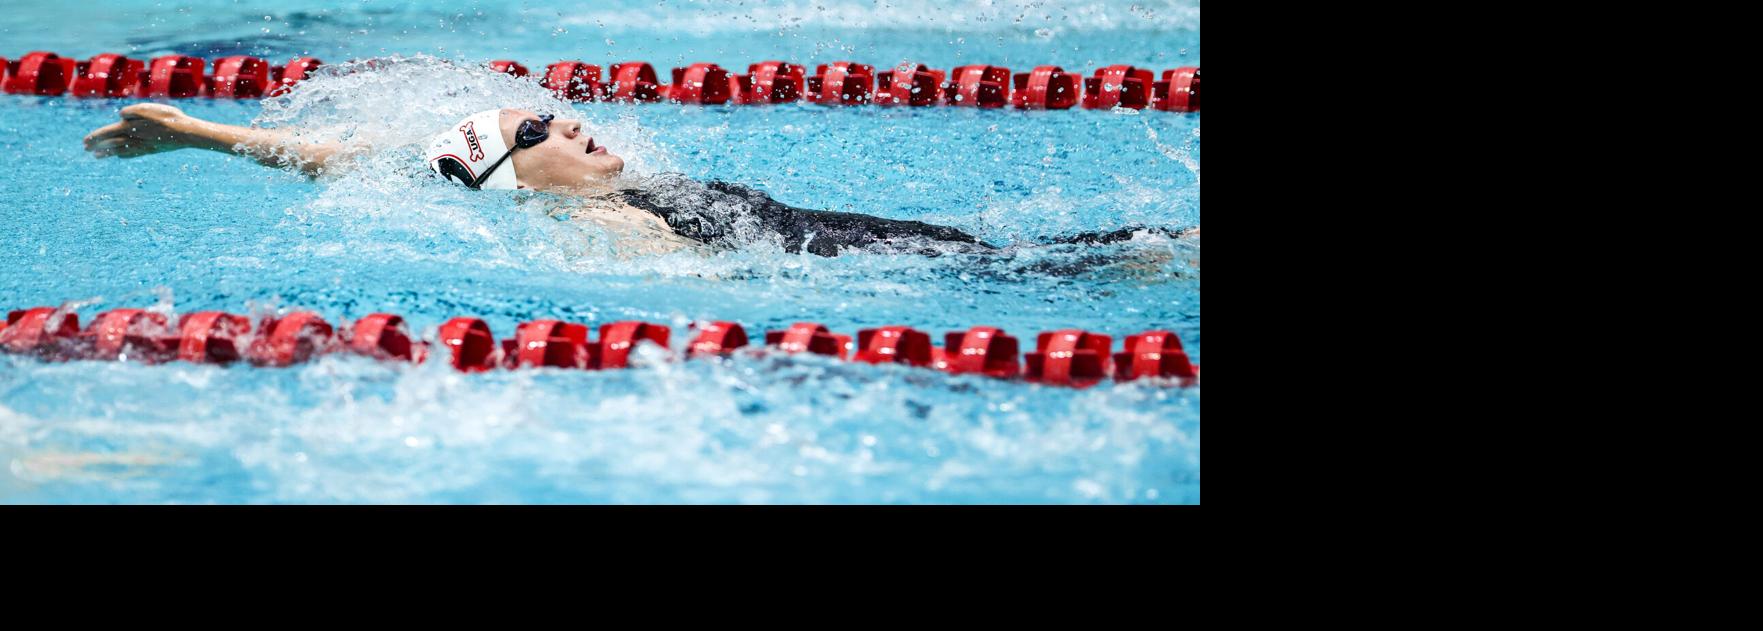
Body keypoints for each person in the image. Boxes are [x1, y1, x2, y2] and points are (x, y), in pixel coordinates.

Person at [84, 103, 1196, 259]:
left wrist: (192, 130)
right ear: (520, 171)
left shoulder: (605, 190)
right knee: (1133, 253)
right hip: (907, 269)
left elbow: (365, 162)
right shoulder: (612, 225)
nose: (575, 121)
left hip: (887, 234)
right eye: (541, 127)